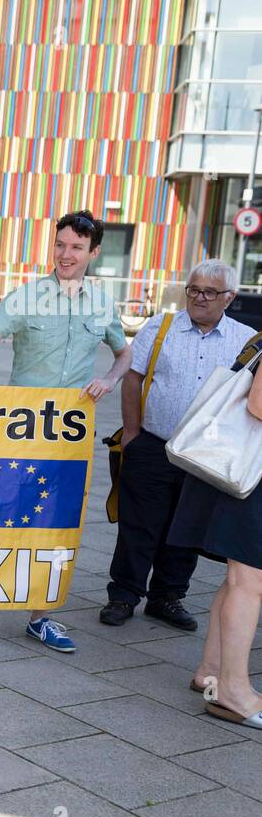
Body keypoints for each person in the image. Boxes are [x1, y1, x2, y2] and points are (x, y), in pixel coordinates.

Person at [0, 210, 132, 652]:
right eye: (60, 245)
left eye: (76, 247)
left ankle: (41, 616)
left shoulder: (101, 303)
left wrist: (110, 379)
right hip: (18, 428)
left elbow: (123, 353)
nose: (65, 254)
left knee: (54, 525)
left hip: (66, 436)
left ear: (93, 252)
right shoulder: (27, 297)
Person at [101, 260, 254, 630]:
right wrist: (133, 435)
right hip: (153, 444)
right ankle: (123, 595)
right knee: (138, 526)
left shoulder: (245, 340)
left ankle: (167, 598)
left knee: (185, 531)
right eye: (193, 289)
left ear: (229, 297)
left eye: (209, 292)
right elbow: (133, 380)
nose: (199, 298)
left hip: (205, 455)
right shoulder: (161, 326)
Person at [167, 316, 262, 730]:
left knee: (239, 578)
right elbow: (259, 403)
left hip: (239, 466)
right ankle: (233, 690)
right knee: (250, 582)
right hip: (251, 472)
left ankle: (211, 671)